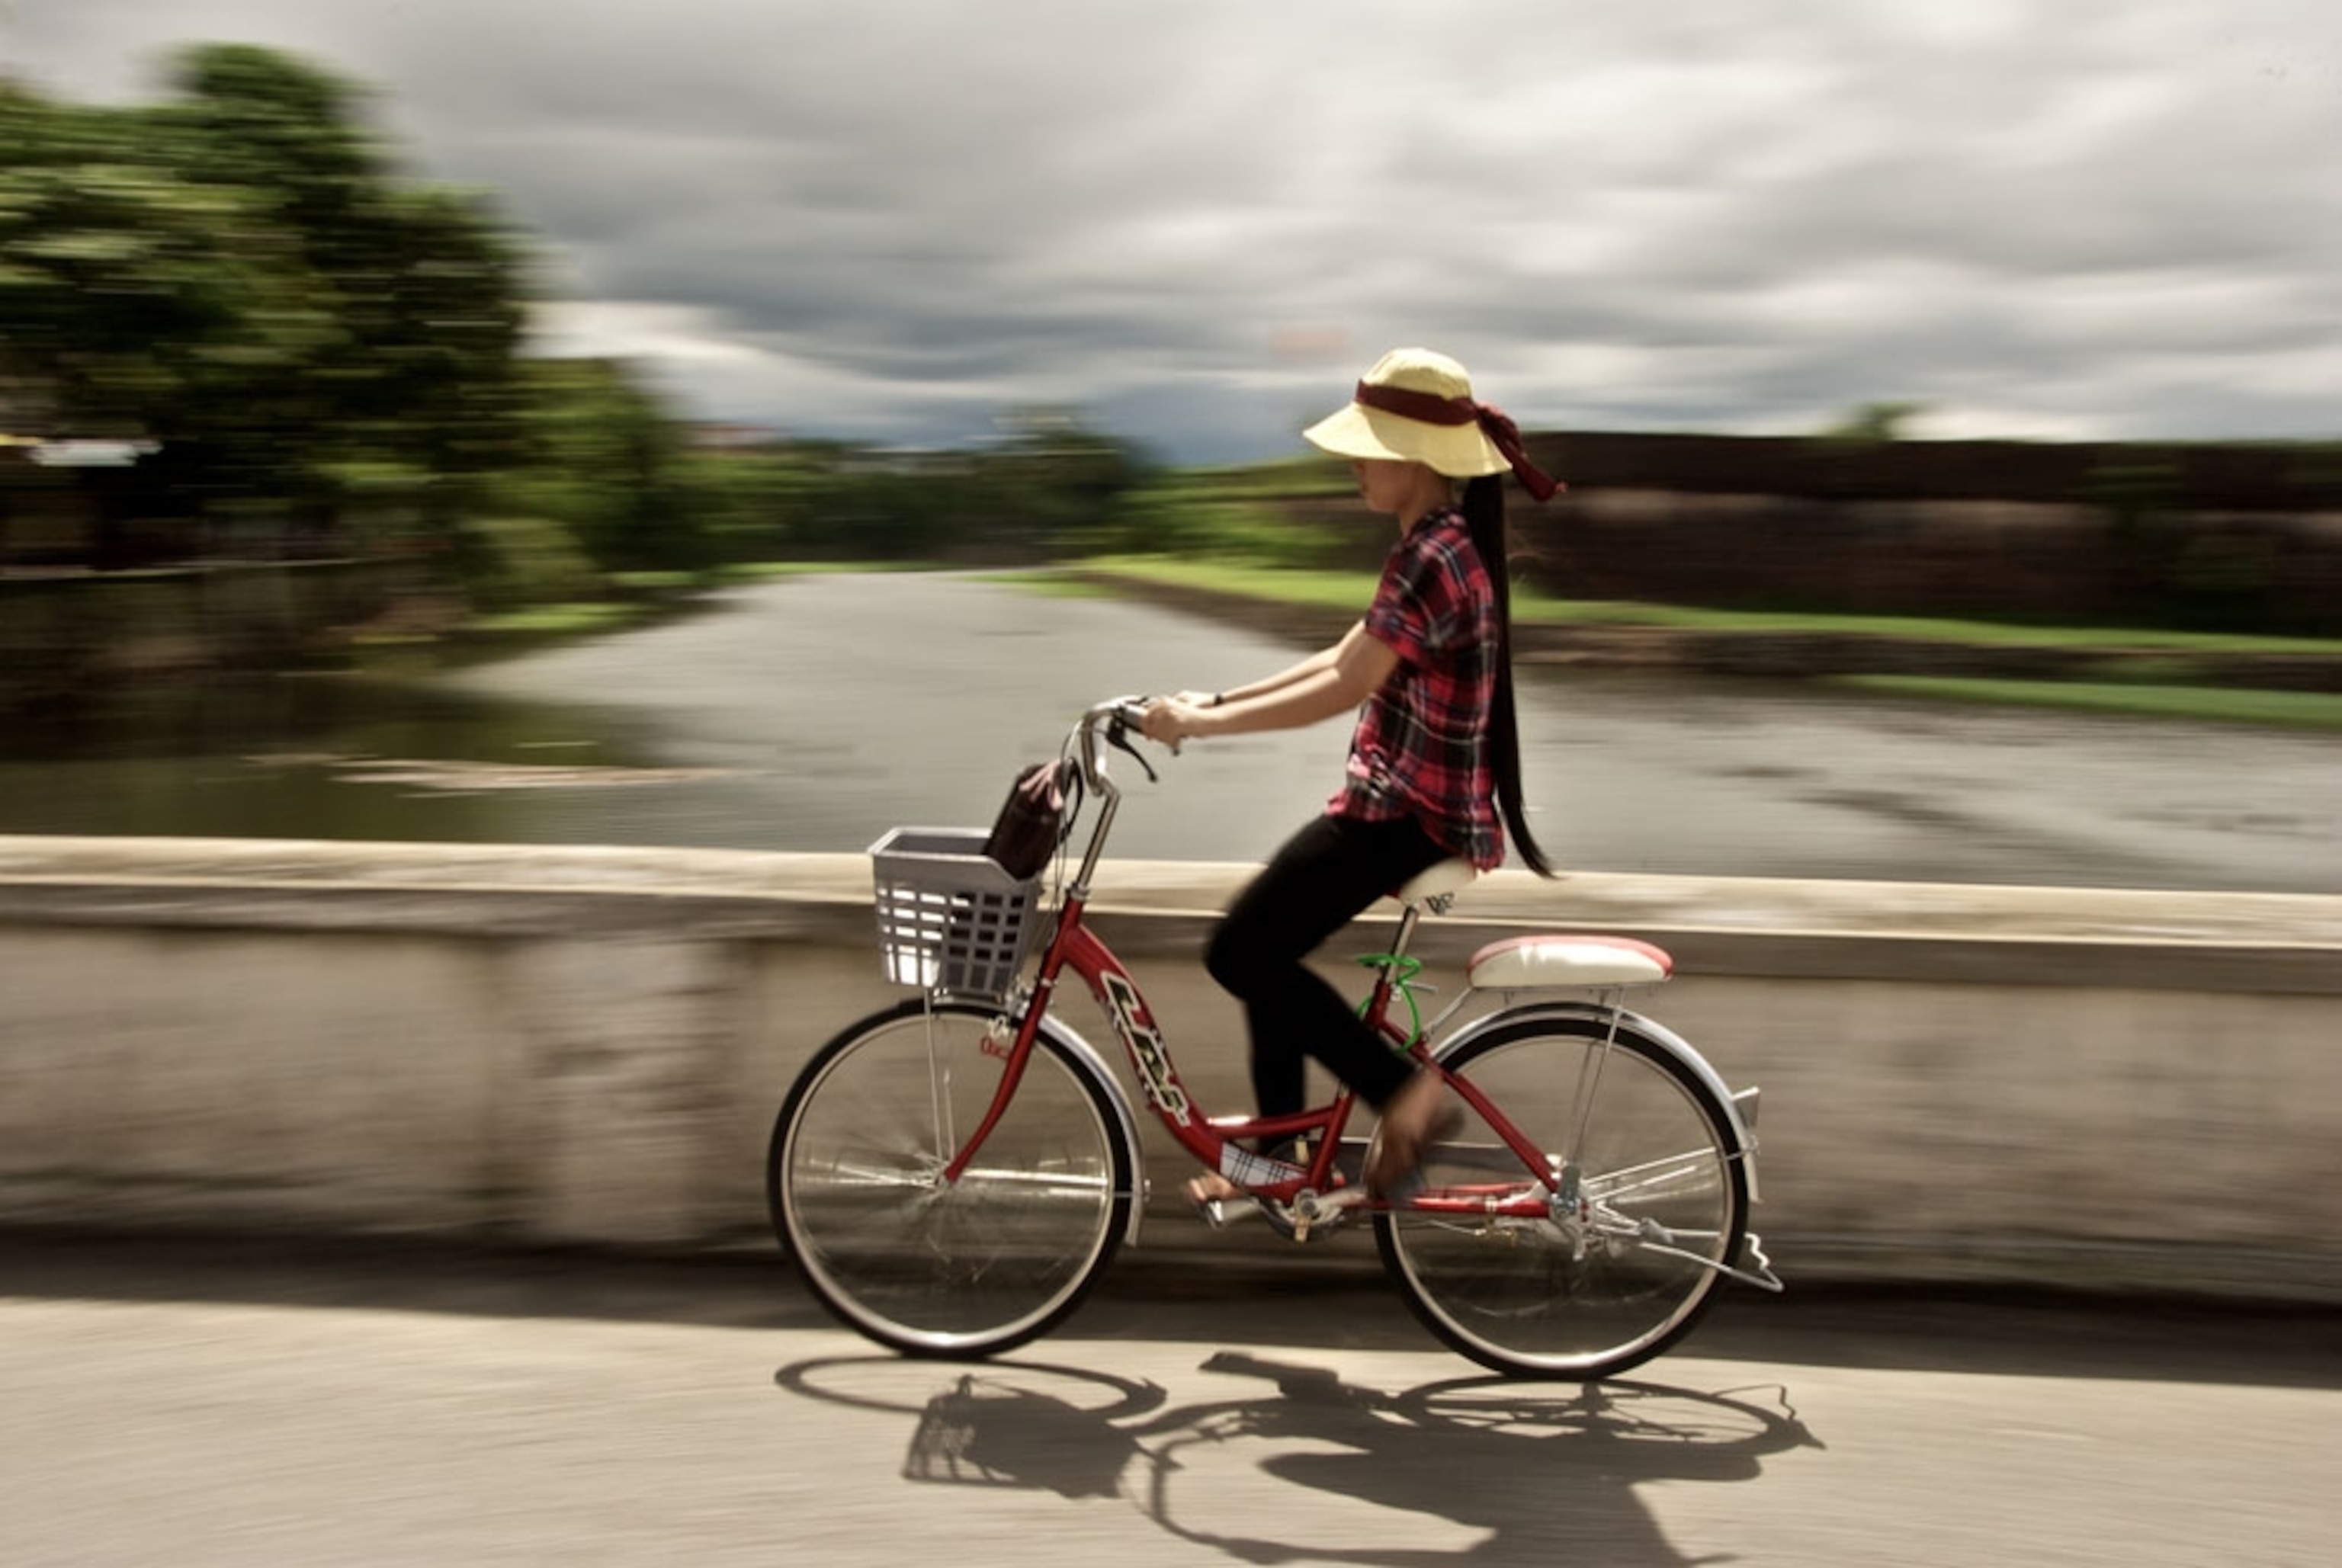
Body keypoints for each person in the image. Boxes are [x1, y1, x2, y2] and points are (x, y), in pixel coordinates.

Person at [1141, 346, 1563, 1202]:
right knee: (1267, 951)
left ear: (1419, 459)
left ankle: (1403, 1091)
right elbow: (1344, 652)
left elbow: (1346, 684)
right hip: (1405, 805)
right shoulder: (1435, 543)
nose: (1355, 465)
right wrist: (1213, 696)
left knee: (1238, 949)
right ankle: (1283, 1165)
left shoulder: (1433, 556)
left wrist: (1201, 726)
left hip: (1407, 815)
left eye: (1371, 448)